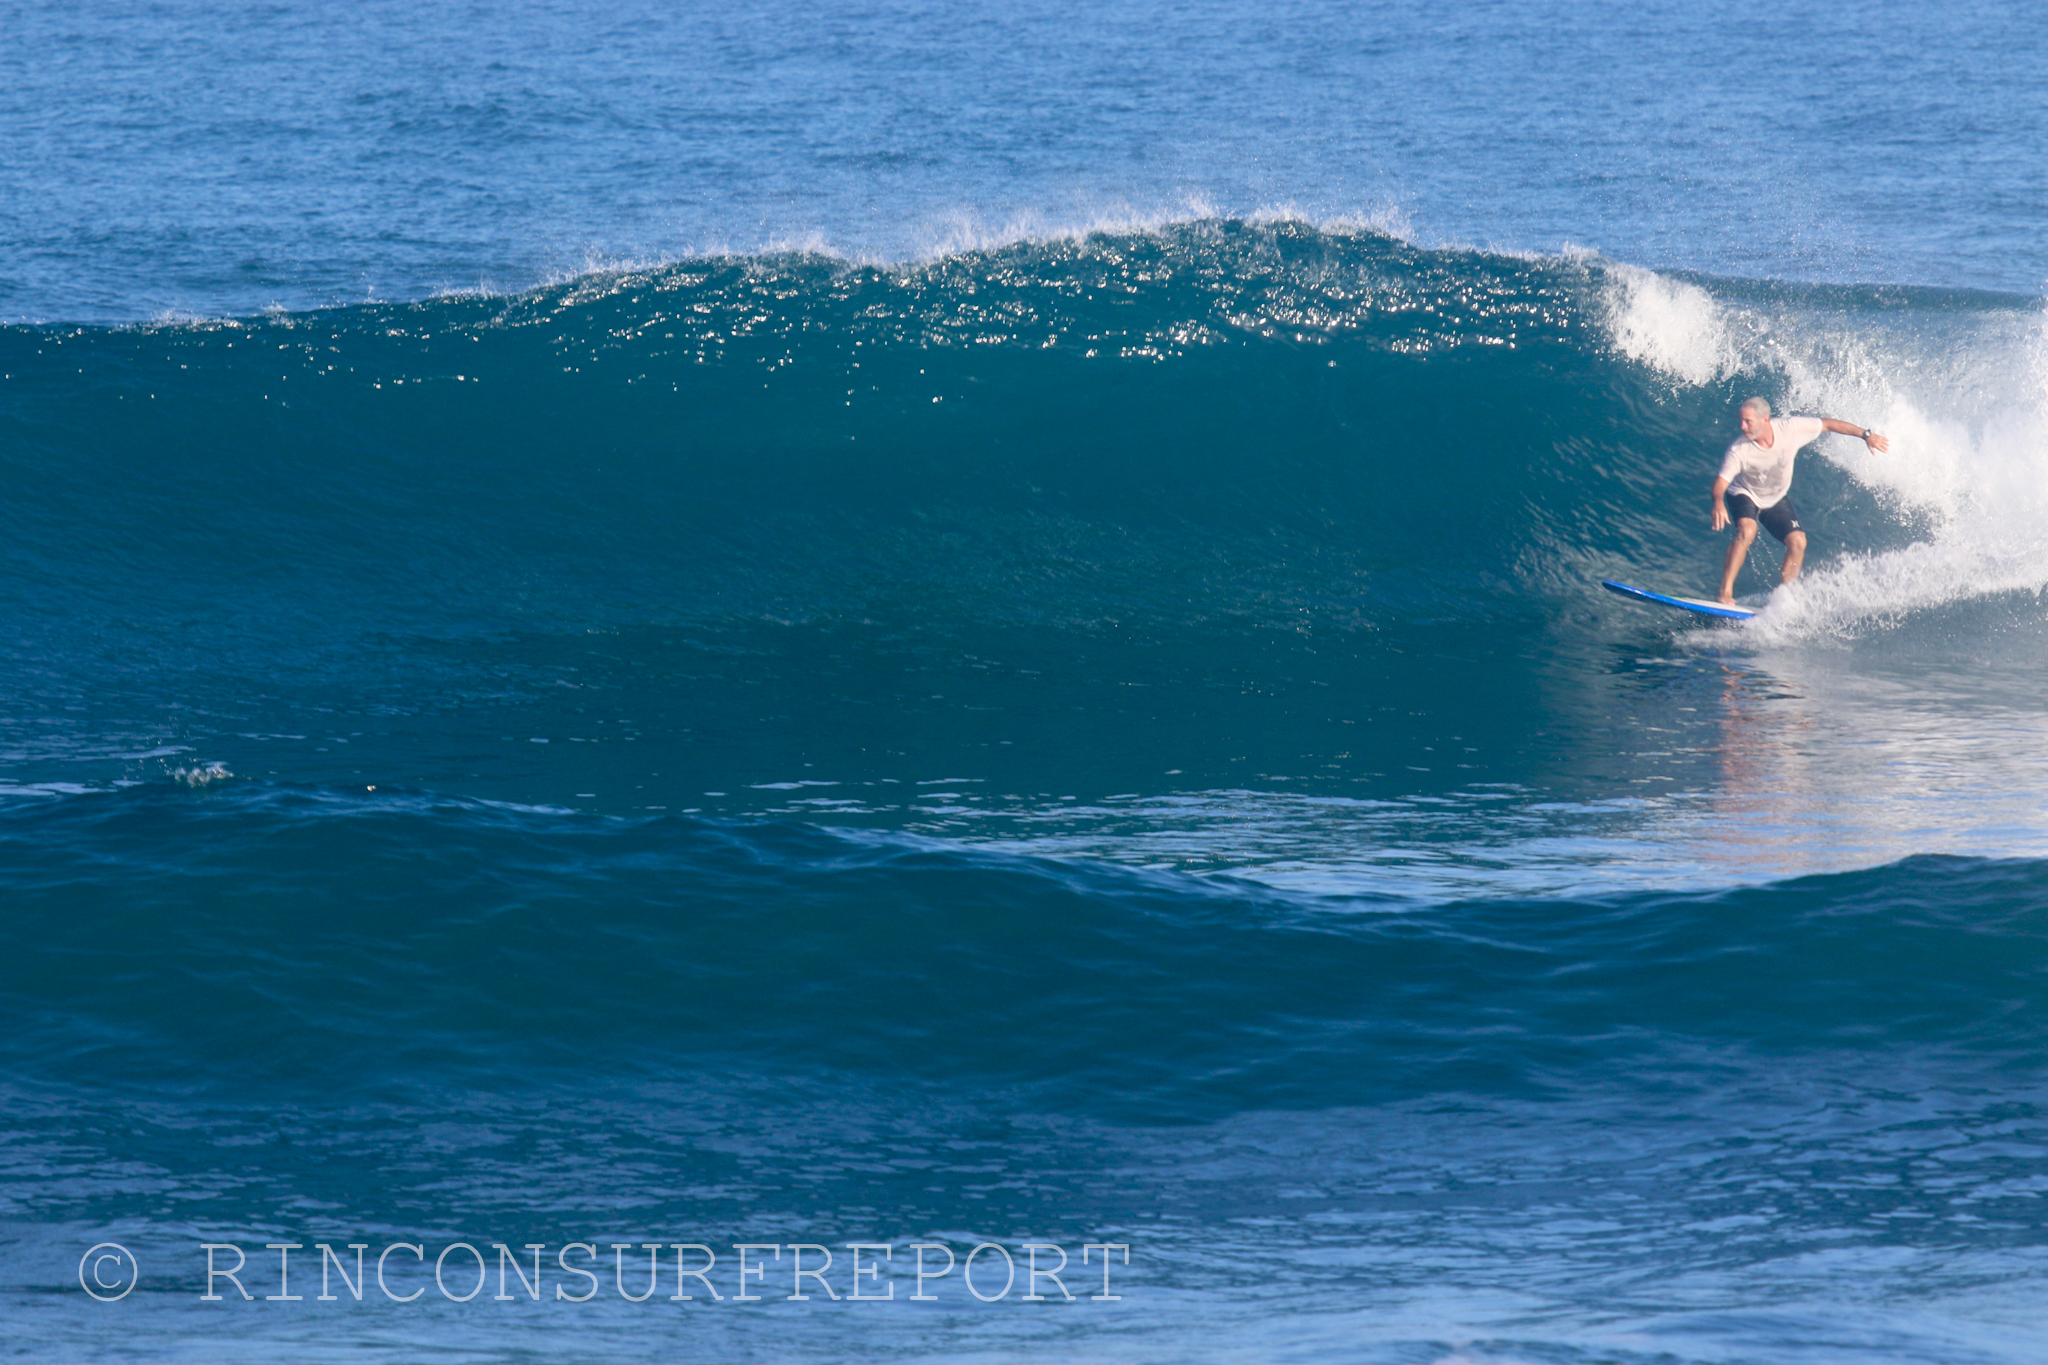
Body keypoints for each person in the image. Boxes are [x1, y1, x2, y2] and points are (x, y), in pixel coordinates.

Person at [1711, 396, 1888, 604]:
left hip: (1775, 497)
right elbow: (1721, 484)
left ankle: (1784, 599)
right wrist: (1718, 502)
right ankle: (1725, 593)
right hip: (1744, 493)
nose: (1742, 426)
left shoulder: (1790, 429)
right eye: (1741, 421)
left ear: (1765, 420)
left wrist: (1866, 435)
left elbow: (1828, 424)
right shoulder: (1739, 450)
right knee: (1748, 530)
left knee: (1798, 542)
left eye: (1748, 421)